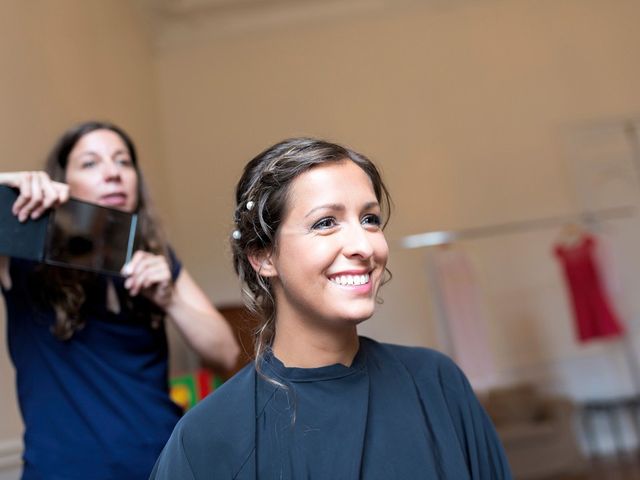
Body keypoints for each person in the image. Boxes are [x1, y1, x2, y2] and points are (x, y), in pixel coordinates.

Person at [150, 138, 512, 479]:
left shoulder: (436, 383)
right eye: (325, 223)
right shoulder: (208, 436)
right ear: (263, 256)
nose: (363, 246)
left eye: (370, 219)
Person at [0, 121, 240, 480]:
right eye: (91, 163)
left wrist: (170, 298)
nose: (112, 173)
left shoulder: (157, 256)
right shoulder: (22, 252)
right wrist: (4, 187)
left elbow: (227, 355)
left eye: (122, 161)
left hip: (168, 468)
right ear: (62, 179)